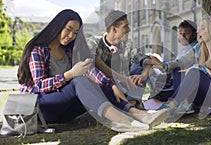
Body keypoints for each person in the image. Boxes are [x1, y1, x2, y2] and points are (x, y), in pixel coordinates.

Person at [17, 9, 168, 132]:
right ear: (58, 26)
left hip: (66, 111)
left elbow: (90, 70)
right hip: (42, 108)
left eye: (75, 33)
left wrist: (112, 85)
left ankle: (137, 114)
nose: (71, 36)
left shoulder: (69, 51)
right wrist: (69, 74)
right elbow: (39, 86)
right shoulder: (38, 50)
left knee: (94, 81)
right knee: (78, 79)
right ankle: (121, 121)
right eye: (68, 30)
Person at [148, 15, 211, 119]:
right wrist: (164, 65)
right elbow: (181, 61)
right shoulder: (199, 48)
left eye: (202, 28)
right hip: (204, 97)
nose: (198, 32)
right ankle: (184, 105)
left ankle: (171, 106)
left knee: (195, 72)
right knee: (178, 69)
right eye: (199, 28)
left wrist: (198, 68)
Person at [88, 10, 153, 109]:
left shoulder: (128, 45)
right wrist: (121, 78)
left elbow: (145, 60)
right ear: (114, 29)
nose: (129, 29)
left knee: (138, 70)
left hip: (125, 88)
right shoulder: (94, 42)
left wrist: (143, 76)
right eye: (125, 26)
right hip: (104, 88)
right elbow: (95, 62)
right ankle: (128, 106)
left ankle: (132, 103)